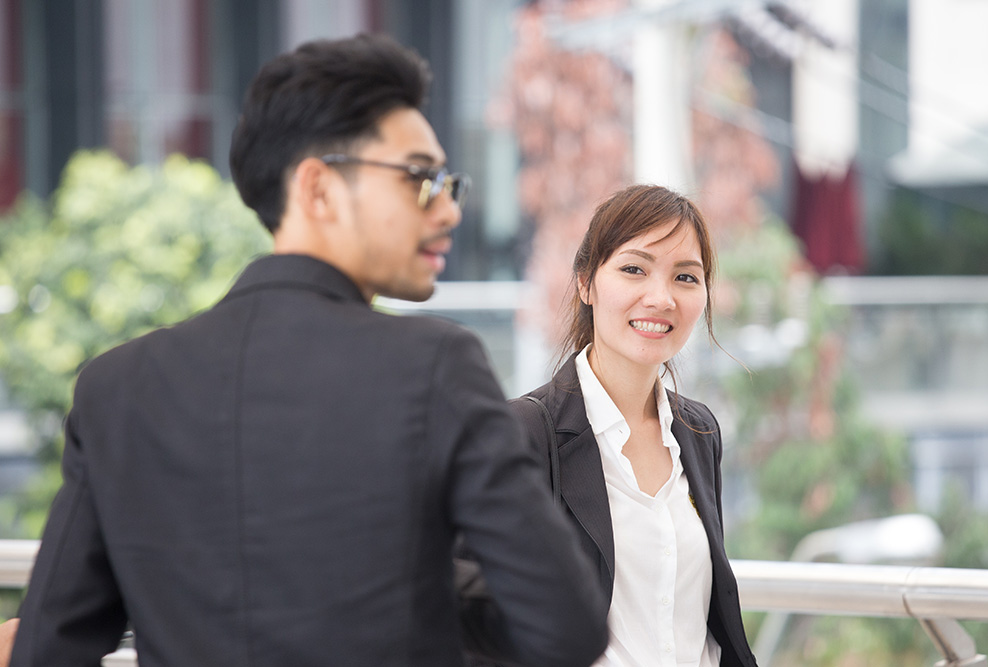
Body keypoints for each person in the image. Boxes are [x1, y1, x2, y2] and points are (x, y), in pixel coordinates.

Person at [7, 34, 608, 667]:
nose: (451, 211)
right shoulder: (435, 366)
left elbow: (47, 646)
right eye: (420, 178)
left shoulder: (118, 386)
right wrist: (408, 571)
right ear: (318, 188)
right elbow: (565, 623)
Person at [508, 184, 757, 666]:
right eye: (633, 269)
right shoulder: (525, 433)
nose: (660, 298)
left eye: (685, 277)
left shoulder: (699, 432)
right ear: (586, 282)